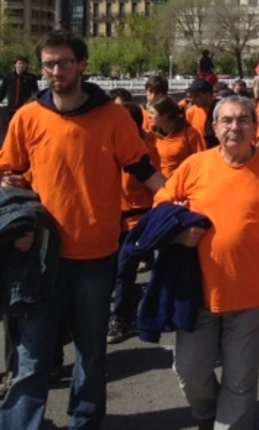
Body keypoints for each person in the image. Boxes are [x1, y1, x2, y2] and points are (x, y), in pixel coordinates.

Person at [0, 30, 165, 430]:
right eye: (49, 64)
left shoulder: (112, 117)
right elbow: (7, 175)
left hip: (95, 255)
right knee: (32, 355)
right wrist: (14, 224)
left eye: (64, 63)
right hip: (38, 255)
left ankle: (85, 421)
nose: (56, 71)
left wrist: (181, 205)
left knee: (91, 352)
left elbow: (144, 172)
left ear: (82, 65)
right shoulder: (28, 117)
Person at [154, 95, 259, 430]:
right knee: (190, 371)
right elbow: (161, 206)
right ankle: (207, 413)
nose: (236, 127)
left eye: (244, 119)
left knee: (241, 379)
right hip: (197, 293)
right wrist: (179, 231)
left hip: (250, 294)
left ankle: (228, 423)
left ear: (255, 127)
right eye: (228, 120)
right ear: (214, 127)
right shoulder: (195, 166)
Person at [107, 101, 163, 345]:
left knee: (123, 271)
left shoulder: (147, 149)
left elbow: (156, 186)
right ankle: (127, 303)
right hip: (109, 221)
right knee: (111, 274)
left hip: (137, 220)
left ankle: (121, 320)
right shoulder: (104, 146)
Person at [149, 96, 207, 178]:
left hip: (182, 184)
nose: (149, 116)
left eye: (152, 113)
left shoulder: (189, 134)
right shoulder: (152, 135)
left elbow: (201, 161)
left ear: (165, 115)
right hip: (159, 186)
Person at [186, 78, 219, 148]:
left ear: (209, 94)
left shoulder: (221, 110)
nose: (193, 100)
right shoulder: (190, 112)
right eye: (191, 96)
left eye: (196, 96)